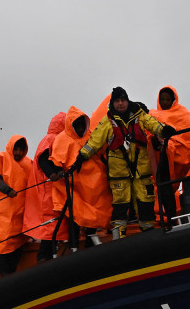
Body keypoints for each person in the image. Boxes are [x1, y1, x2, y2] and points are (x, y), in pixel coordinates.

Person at [74, 87, 175, 238]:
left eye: (122, 100)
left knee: (145, 200)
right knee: (120, 203)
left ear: (127, 101)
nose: (120, 104)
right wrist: (81, 156)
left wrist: (164, 130)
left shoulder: (140, 115)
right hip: (119, 172)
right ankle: (118, 237)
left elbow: (153, 124)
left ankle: (149, 233)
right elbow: (94, 142)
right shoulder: (106, 122)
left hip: (141, 169)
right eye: (117, 101)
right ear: (112, 103)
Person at [50, 107, 111, 249]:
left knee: (98, 211)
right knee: (75, 216)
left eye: (82, 125)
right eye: (77, 125)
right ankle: (74, 246)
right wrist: (58, 171)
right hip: (74, 186)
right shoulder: (62, 139)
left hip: (96, 183)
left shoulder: (90, 135)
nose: (80, 128)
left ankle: (91, 241)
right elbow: (56, 161)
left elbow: (101, 150)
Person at [0, 135, 33, 274]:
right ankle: (5, 278)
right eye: (16, 149)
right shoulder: (0, 158)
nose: (18, 153)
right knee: (2, 244)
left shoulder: (28, 163)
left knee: (18, 243)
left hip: (19, 213)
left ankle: (11, 276)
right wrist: (8, 190)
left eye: (21, 150)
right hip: (1, 214)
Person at [149, 85, 190, 219]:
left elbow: (189, 141)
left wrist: (168, 145)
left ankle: (169, 217)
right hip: (156, 160)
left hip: (171, 159)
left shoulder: (182, 114)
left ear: (173, 100)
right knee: (160, 188)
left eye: (167, 99)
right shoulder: (152, 115)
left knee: (166, 188)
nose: (164, 102)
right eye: (162, 100)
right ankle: (163, 215)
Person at [28, 112, 71, 261]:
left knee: (55, 221)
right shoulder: (52, 139)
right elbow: (44, 160)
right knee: (51, 222)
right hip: (49, 189)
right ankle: (44, 257)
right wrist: (53, 174)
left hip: (53, 188)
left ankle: (50, 254)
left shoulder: (53, 139)